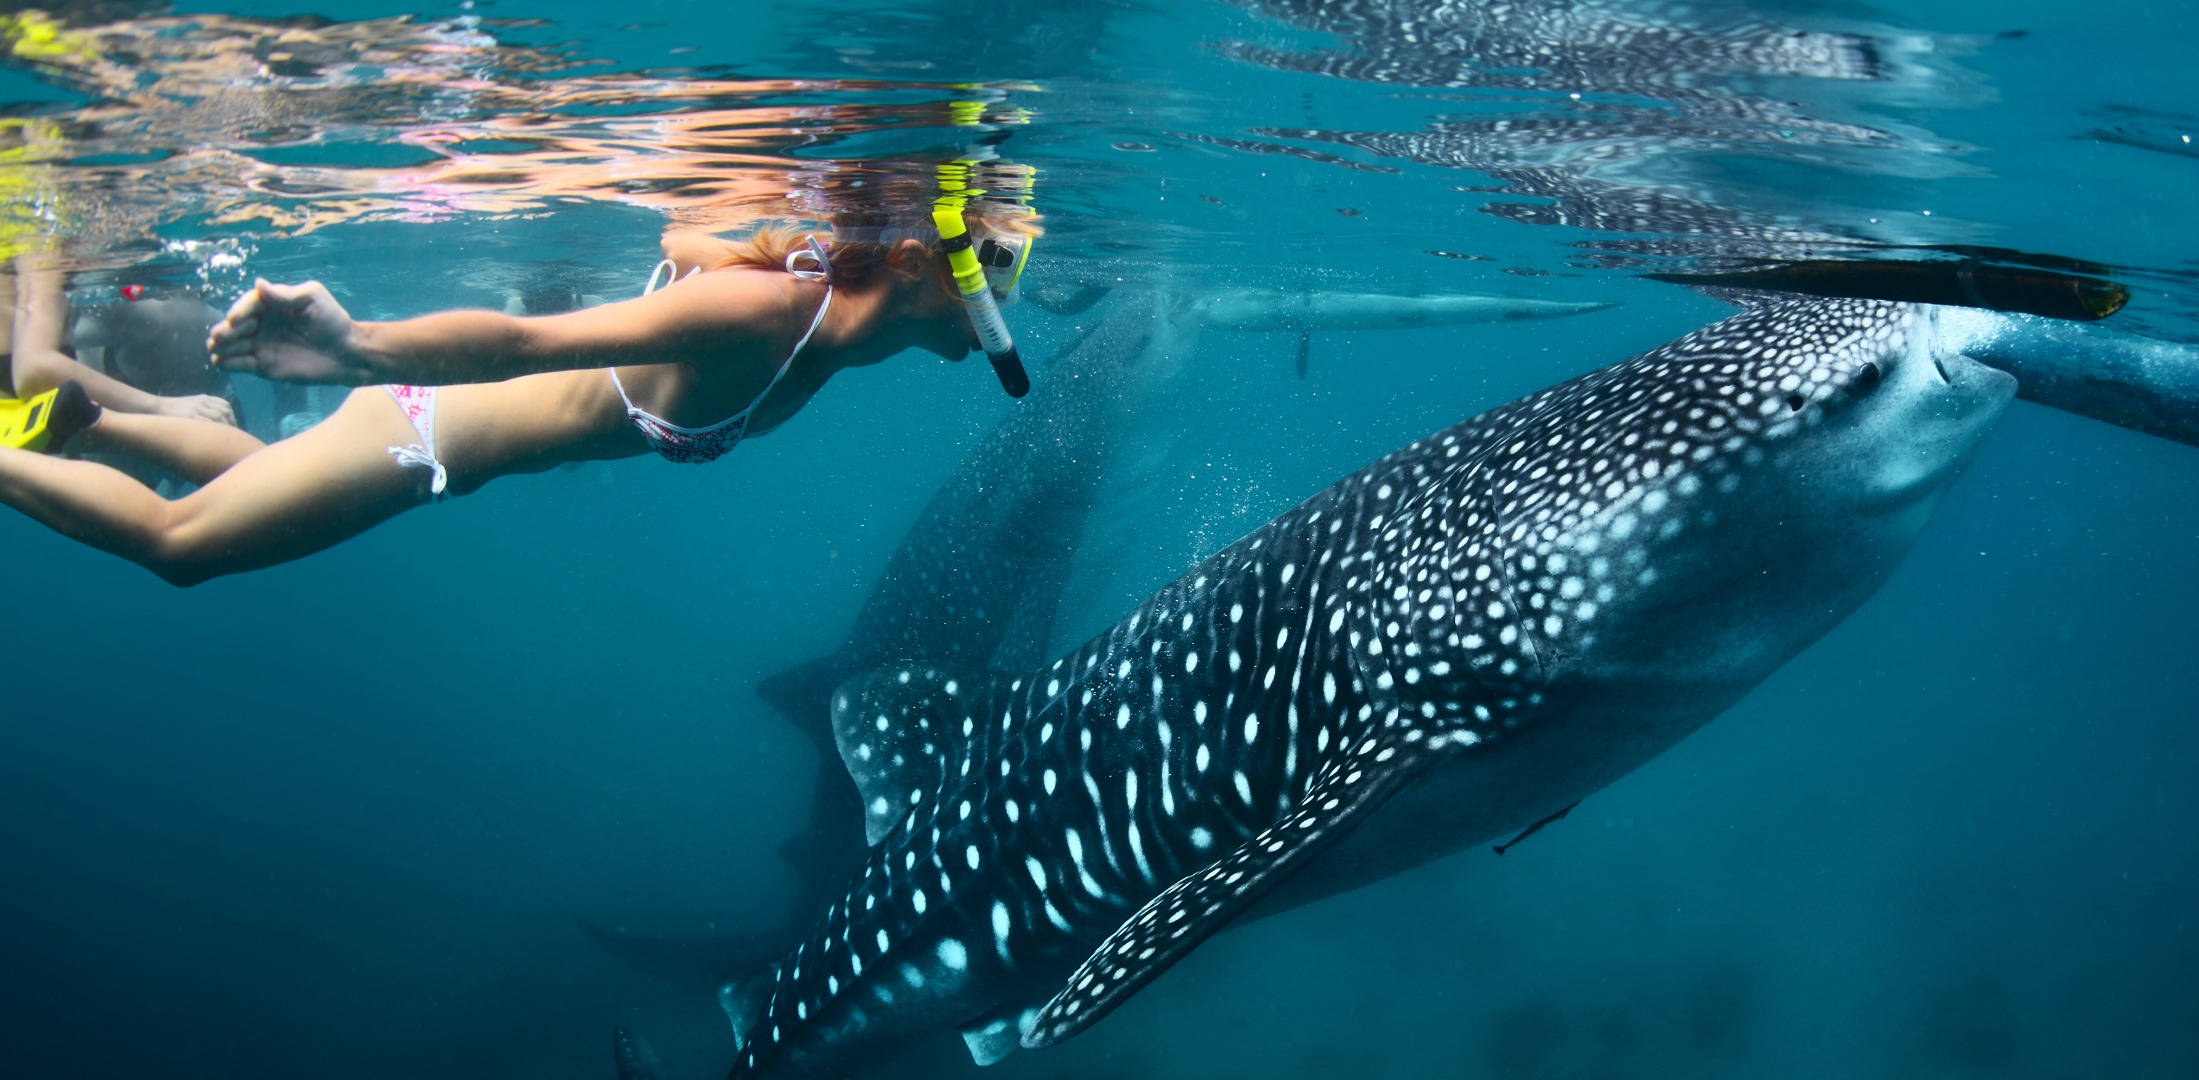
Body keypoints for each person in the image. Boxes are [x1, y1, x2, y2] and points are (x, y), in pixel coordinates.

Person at [0, 209, 1039, 586]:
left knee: (251, 473)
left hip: (433, 454)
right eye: (1001, 270)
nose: (1009, 301)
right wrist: (353, 344)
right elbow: (523, 342)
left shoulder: (817, 324)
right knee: (182, 551)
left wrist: (713, 242)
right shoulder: (771, 319)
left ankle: (86, 418)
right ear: (913, 263)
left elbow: (684, 237)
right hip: (418, 430)